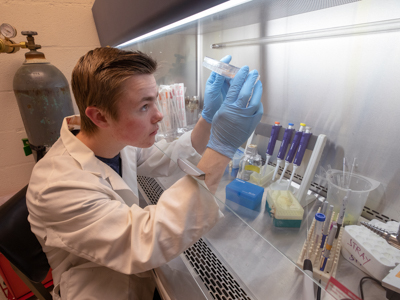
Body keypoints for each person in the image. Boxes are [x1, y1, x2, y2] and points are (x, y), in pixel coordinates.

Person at [26, 47, 263, 300]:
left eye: (155, 100)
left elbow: (167, 157)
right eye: (144, 107)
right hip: (100, 291)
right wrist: (222, 148)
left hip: (137, 280)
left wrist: (208, 120)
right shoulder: (57, 185)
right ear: (100, 116)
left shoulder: (114, 142)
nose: (159, 114)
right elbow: (146, 241)